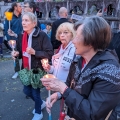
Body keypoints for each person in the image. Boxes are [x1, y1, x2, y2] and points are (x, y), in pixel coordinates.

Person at [41, 16, 120, 120]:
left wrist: (62, 89)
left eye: (77, 37)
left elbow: (92, 113)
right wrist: (59, 94)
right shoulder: (78, 60)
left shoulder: (109, 71)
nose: (73, 41)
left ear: (91, 41)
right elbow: (71, 85)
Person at [11, 12, 53, 120]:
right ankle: (41, 103)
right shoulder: (21, 35)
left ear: (34, 23)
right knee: (27, 91)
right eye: (23, 20)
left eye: (26, 20)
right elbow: (21, 52)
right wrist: (17, 54)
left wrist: (35, 52)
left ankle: (38, 113)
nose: (23, 23)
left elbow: (49, 53)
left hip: (37, 69)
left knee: (35, 93)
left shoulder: (41, 35)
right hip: (26, 69)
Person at [4, 2, 22, 79]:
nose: (21, 7)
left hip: (22, 39)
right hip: (14, 40)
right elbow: (6, 29)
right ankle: (17, 71)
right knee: (15, 57)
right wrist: (8, 40)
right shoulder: (9, 17)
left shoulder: (22, 17)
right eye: (20, 6)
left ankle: (24, 70)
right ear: (15, 7)